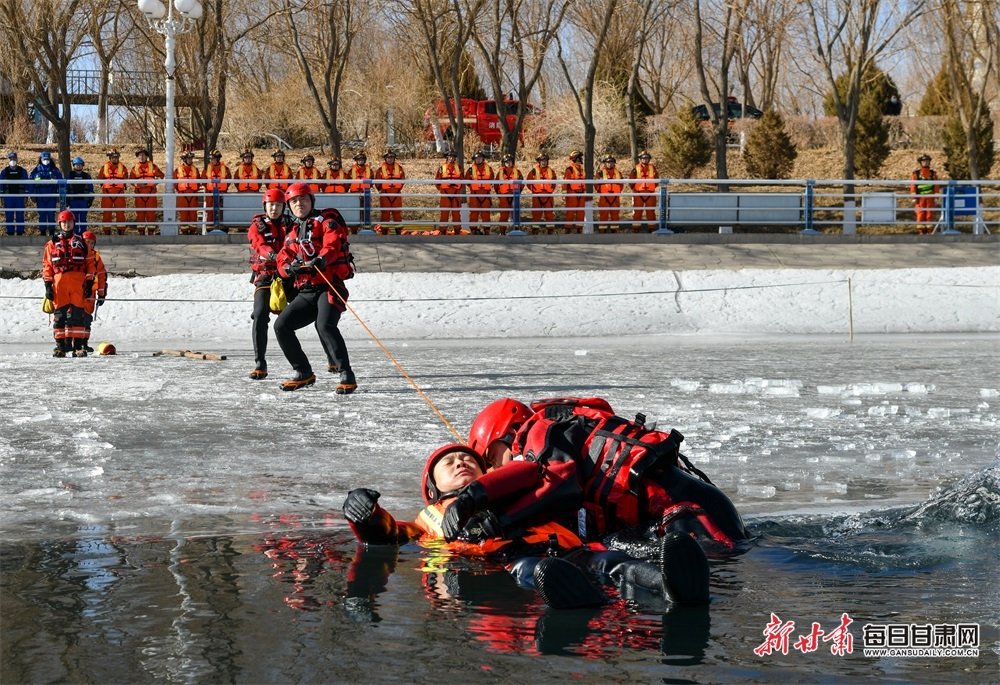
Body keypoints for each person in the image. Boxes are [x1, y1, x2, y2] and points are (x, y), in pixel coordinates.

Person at [343, 443, 711, 609]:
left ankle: (674, 587)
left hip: (569, 548)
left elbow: (534, 473)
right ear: (432, 487)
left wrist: (480, 493)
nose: (459, 463)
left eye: (466, 458)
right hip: (511, 562)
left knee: (612, 561)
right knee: (535, 571)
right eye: (449, 463)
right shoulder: (428, 520)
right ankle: (585, 600)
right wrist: (365, 516)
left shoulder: (505, 486)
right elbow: (389, 535)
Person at [467, 397, 750, 551]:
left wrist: (499, 521)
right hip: (695, 506)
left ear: (507, 433)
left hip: (688, 511)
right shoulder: (560, 429)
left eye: (493, 458)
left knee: (723, 572)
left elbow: (560, 486)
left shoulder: (537, 431)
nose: (496, 469)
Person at [274, 182, 357, 393]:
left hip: (329, 286)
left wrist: (321, 260)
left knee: (325, 325)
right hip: (306, 291)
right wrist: (288, 269)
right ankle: (303, 372)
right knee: (281, 326)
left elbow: (332, 244)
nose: (298, 204)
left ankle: (346, 372)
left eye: (303, 199)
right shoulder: (292, 231)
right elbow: (283, 257)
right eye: (293, 201)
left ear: (311, 201)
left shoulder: (326, 221)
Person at [247, 187, 295, 380]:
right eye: (270, 205)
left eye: (278, 205)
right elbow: (259, 244)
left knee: (317, 310)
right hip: (266, 277)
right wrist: (274, 255)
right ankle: (260, 362)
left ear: (284, 206)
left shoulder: (292, 223)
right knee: (260, 316)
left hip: (289, 276)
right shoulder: (256, 225)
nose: (274, 208)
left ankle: (332, 358)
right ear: (264, 206)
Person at [42, 210, 96, 357]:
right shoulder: (52, 244)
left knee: (78, 316)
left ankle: (78, 347)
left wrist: (90, 282)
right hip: (59, 283)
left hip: (78, 283)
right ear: (60, 224)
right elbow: (47, 265)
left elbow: (91, 264)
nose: (67, 225)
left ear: (74, 223)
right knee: (59, 316)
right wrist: (48, 286)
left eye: (69, 222)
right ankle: (60, 347)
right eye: (64, 222)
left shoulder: (82, 243)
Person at [80, 230, 107, 352]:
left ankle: (84, 343)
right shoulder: (76, 254)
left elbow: (101, 276)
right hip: (77, 291)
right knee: (74, 317)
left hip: (90, 293)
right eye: (86, 242)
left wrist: (101, 294)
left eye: (91, 243)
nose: (89, 245)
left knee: (86, 318)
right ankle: (73, 342)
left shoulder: (96, 257)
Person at [130, 148, 164, 236]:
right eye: (140, 155)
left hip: (150, 194)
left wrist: (155, 183)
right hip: (139, 194)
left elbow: (161, 176)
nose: (142, 157)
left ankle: (151, 233)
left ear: (146, 156)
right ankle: (141, 234)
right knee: (140, 214)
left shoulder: (153, 166)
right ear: (137, 157)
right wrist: (138, 185)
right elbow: (131, 181)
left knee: (151, 214)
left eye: (143, 155)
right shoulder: (134, 168)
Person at [96, 148, 129, 235]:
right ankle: (107, 231)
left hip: (119, 193)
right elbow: (99, 179)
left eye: (116, 157)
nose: (115, 159)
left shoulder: (123, 167)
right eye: (113, 157)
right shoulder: (104, 167)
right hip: (107, 193)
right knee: (107, 212)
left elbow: (126, 178)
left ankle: (121, 230)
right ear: (110, 158)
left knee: (120, 213)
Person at [30, 150, 63, 237]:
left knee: (51, 214)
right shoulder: (36, 170)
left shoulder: (55, 170)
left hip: (52, 195)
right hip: (40, 195)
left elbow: (61, 182)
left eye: (47, 159)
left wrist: (60, 194)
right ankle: (43, 232)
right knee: (42, 214)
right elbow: (31, 182)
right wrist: (32, 194)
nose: (46, 161)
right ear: (40, 159)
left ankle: (52, 231)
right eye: (44, 159)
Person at [525, 153, 557, 234]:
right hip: (537, 195)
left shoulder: (551, 171)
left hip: (548, 195)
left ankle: (550, 231)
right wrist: (533, 190)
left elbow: (554, 182)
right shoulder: (533, 171)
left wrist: (550, 190)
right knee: (536, 213)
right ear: (539, 161)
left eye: (545, 161)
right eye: (542, 161)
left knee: (549, 214)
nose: (544, 162)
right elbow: (528, 182)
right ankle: (535, 231)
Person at [373, 149, 405, 229]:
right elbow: (377, 181)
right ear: (385, 159)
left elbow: (402, 180)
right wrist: (381, 190)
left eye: (392, 157)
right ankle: (384, 231)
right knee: (385, 213)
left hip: (396, 194)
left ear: (394, 159)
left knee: (397, 213)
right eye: (388, 158)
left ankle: (398, 232)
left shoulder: (400, 168)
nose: (390, 159)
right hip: (385, 194)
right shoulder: (380, 170)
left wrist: (397, 189)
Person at [465, 150, 495, 234]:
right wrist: (473, 187)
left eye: (480, 158)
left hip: (486, 194)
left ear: (483, 159)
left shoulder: (489, 168)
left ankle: (487, 230)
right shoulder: (471, 169)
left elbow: (492, 179)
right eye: (476, 158)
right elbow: (466, 180)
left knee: (486, 213)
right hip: (475, 194)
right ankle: (473, 229)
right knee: (474, 213)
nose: (478, 160)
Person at [434, 150, 464, 235]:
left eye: (453, 157)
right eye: (450, 157)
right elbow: (437, 181)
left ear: (455, 158)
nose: (451, 158)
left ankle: (457, 231)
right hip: (445, 194)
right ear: (447, 157)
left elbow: (462, 181)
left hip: (456, 194)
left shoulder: (459, 167)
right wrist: (442, 190)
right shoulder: (441, 168)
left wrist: (457, 190)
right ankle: (443, 231)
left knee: (456, 214)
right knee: (444, 214)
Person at [174, 148, 202, 235]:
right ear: (184, 159)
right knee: (184, 215)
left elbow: (198, 181)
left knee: (193, 214)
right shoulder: (177, 170)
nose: (190, 160)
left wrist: (195, 190)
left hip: (193, 195)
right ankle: (184, 232)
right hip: (183, 195)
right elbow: (174, 183)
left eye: (191, 158)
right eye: (188, 158)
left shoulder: (195, 169)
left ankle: (193, 231)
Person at [1, 150, 30, 235]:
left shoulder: (22, 171)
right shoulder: (4, 171)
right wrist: (1, 197)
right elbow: (1, 185)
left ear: (17, 159)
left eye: (14, 158)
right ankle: (10, 232)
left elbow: (27, 185)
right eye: (11, 158)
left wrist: (26, 196)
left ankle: (20, 232)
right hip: (8, 197)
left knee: (20, 215)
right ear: (9, 160)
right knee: (9, 215)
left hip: (19, 197)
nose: (12, 160)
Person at [629, 150, 659, 232]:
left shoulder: (653, 168)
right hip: (639, 193)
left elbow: (656, 180)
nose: (645, 159)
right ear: (640, 159)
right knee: (637, 212)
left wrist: (651, 188)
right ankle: (636, 228)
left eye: (646, 158)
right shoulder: (635, 168)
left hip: (650, 193)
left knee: (651, 212)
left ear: (649, 159)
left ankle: (651, 228)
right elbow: (631, 181)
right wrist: (635, 190)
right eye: (643, 158)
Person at [65, 157, 95, 235]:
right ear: (73, 165)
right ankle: (74, 234)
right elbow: (66, 187)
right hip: (73, 200)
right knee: (73, 218)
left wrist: (90, 199)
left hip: (83, 200)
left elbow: (90, 188)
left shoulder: (86, 176)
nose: (78, 166)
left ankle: (83, 234)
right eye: (76, 165)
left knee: (83, 218)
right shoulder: (70, 175)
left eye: (80, 165)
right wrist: (66, 200)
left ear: (83, 166)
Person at [595, 155, 624, 233]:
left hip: (615, 197)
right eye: (608, 162)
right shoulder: (600, 173)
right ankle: (602, 229)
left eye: (611, 162)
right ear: (605, 163)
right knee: (603, 213)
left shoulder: (618, 173)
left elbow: (622, 184)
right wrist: (599, 190)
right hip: (604, 196)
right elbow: (596, 183)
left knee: (615, 214)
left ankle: (614, 230)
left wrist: (618, 191)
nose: (610, 164)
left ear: (614, 163)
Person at [910, 154, 939, 235]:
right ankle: (921, 231)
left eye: (927, 161)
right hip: (920, 197)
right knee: (920, 214)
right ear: (920, 162)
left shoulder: (933, 174)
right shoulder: (916, 173)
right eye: (923, 161)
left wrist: (936, 197)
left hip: (930, 197)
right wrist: (914, 196)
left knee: (929, 214)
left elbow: (936, 186)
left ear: (929, 162)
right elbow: (913, 185)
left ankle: (929, 231)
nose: (925, 163)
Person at [203, 149, 231, 229]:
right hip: (210, 193)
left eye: (213, 159)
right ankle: (210, 226)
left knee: (222, 210)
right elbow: (203, 179)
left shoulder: (225, 169)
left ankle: (222, 226)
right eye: (210, 159)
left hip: (222, 192)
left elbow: (229, 179)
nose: (211, 161)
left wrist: (224, 188)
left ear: (218, 159)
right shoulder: (207, 169)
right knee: (210, 210)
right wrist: (209, 189)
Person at [495, 154, 523, 233]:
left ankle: (517, 230)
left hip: (515, 195)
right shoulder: (500, 172)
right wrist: (500, 194)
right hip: (504, 196)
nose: (508, 163)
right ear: (504, 163)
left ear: (512, 162)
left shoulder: (517, 172)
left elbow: (522, 183)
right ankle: (502, 232)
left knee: (516, 213)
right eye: (506, 162)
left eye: (510, 161)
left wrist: (518, 192)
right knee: (503, 214)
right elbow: (496, 185)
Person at [562, 150, 587, 232]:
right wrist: (564, 193)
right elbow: (565, 182)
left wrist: (586, 191)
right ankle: (567, 229)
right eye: (578, 159)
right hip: (572, 193)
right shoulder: (569, 170)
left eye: (579, 159)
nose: (579, 161)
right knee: (570, 212)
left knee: (580, 212)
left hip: (581, 193)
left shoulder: (582, 170)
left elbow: (585, 181)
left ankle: (579, 228)